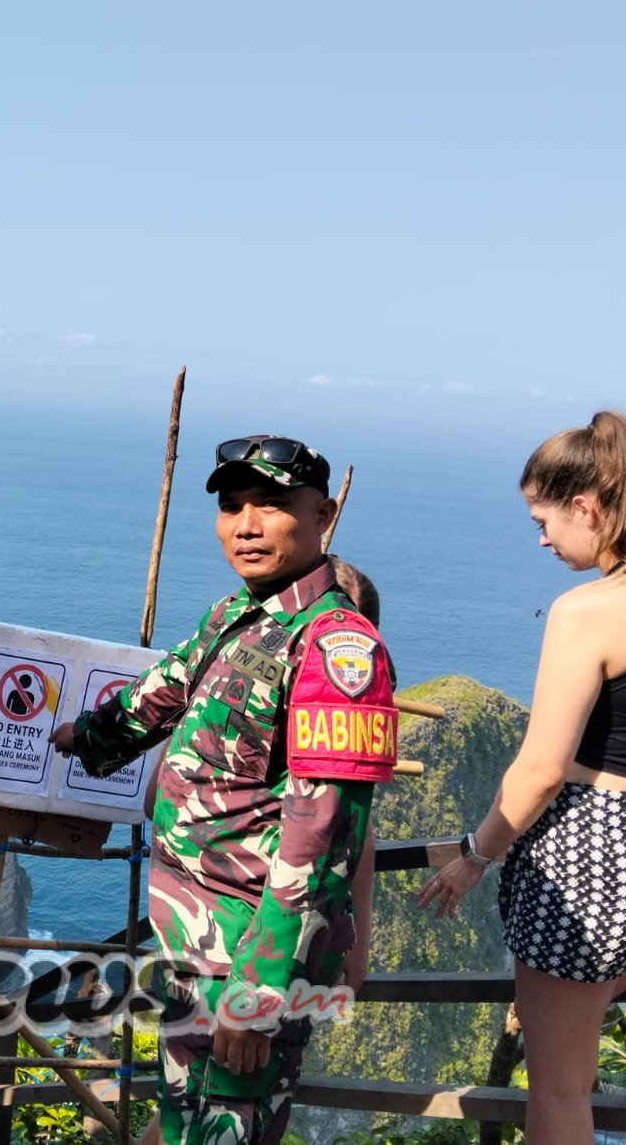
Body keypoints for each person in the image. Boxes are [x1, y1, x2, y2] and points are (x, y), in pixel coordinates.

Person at [52, 435, 398, 1145]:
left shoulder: (335, 647)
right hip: (195, 947)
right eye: (232, 506)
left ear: (324, 514)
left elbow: (323, 833)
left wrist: (260, 992)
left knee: (227, 1132)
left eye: (271, 505)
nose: (245, 524)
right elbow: (162, 693)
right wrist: (85, 736)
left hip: (249, 956)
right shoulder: (237, 617)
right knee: (185, 1126)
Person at [417, 411, 626, 1144]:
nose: (543, 539)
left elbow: (543, 768)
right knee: (576, 1032)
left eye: (544, 520)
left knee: (558, 1089)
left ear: (586, 507)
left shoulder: (588, 611)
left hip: (594, 861)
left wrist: (474, 857)